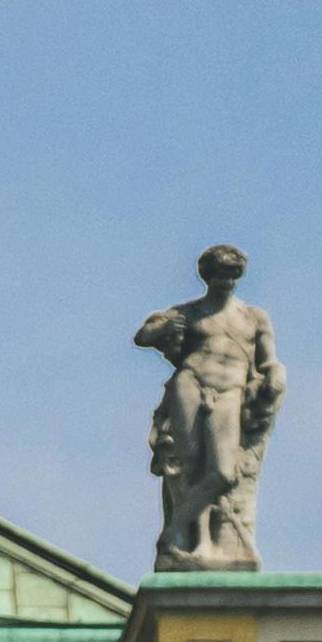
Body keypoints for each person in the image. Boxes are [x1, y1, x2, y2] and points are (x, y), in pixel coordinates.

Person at [135, 243, 279, 572]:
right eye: (219, 276)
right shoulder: (191, 312)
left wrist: (275, 380)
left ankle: (173, 532)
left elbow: (269, 363)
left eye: (232, 276)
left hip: (231, 391)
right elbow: (142, 336)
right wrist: (164, 329)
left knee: (223, 472)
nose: (226, 282)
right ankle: (200, 543)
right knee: (190, 465)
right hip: (191, 383)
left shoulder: (253, 317)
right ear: (207, 277)